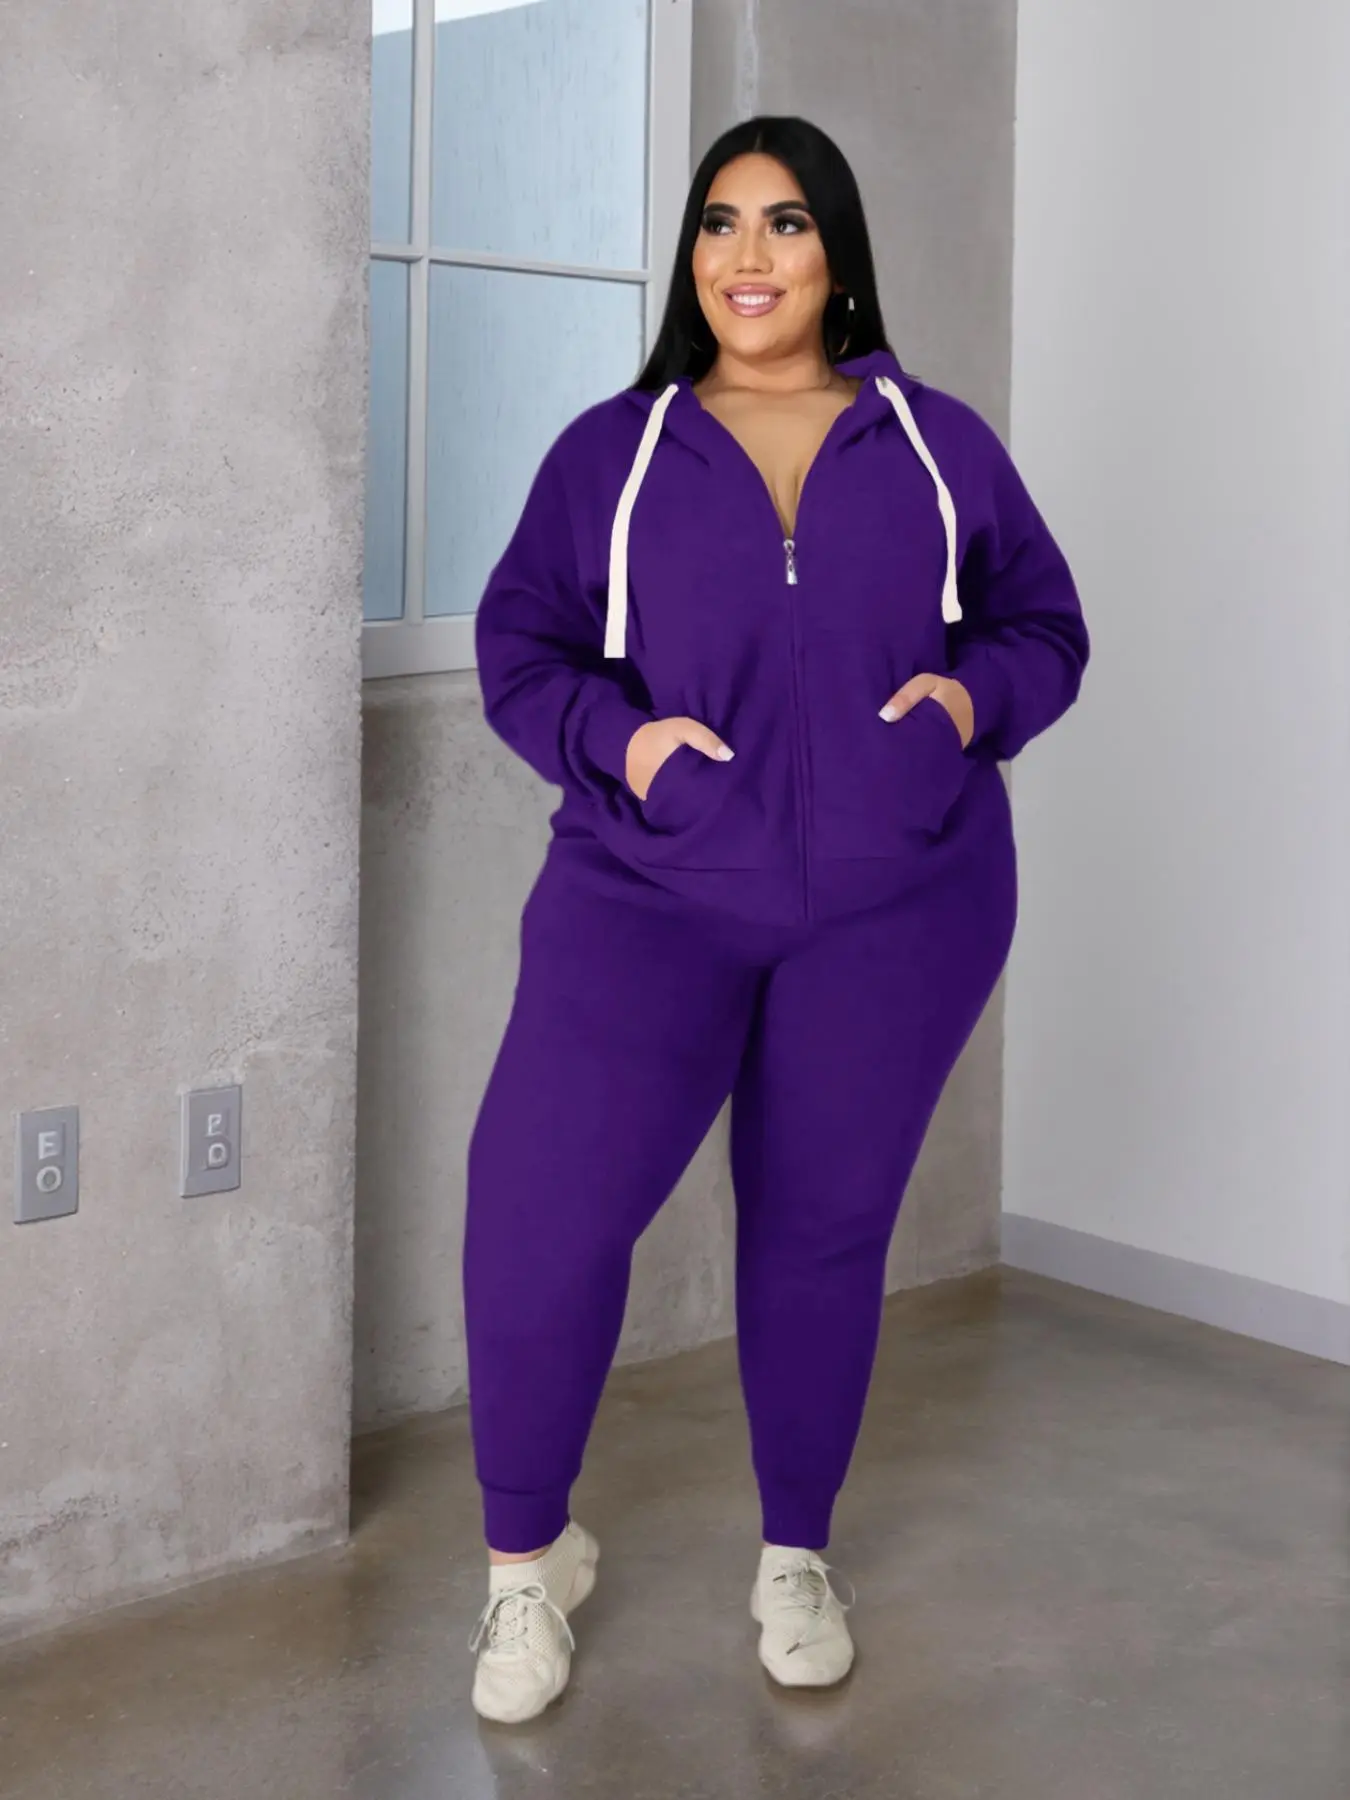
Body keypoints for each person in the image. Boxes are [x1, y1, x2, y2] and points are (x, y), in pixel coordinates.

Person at [463, 114, 1089, 1724]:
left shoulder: (934, 444)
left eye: (786, 223)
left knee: (819, 1230)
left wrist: (965, 706)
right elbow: (519, 647)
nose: (748, 256)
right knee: (540, 1218)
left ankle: (794, 1554)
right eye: (720, 223)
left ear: (837, 257)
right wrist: (624, 750)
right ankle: (525, 1569)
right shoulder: (615, 452)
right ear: (691, 255)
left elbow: (1042, 623)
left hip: (899, 905)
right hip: (644, 893)